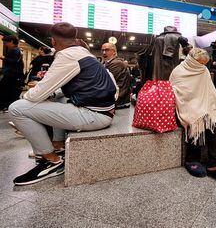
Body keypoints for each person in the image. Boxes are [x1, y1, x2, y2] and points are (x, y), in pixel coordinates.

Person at [9, 22, 118, 186]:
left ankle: (52, 160)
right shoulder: (84, 54)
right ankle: (57, 144)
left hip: (94, 115)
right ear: (74, 38)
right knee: (53, 98)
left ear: (53, 42)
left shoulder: (67, 55)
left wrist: (32, 101)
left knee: (17, 108)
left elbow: (36, 94)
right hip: (103, 111)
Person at [169, 48, 216, 185]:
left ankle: (215, 164)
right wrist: (196, 105)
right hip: (186, 106)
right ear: (192, 60)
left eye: (204, 64)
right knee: (196, 118)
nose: (203, 66)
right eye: (200, 63)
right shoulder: (178, 72)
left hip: (204, 103)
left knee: (215, 120)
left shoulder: (203, 70)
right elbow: (178, 94)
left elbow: (210, 91)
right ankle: (192, 159)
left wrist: (208, 105)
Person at [101, 43, 131, 109]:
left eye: (107, 50)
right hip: (115, 99)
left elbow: (106, 81)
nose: (103, 52)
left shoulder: (116, 63)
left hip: (118, 101)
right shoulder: (109, 62)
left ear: (114, 52)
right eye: (102, 50)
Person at [0, 35, 24, 111]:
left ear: (11, 42)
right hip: (12, 74)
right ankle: (6, 106)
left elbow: (14, 61)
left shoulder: (15, 50)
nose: (5, 44)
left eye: (6, 42)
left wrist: (3, 58)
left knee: (6, 90)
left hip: (12, 75)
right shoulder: (16, 50)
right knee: (7, 90)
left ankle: (6, 106)